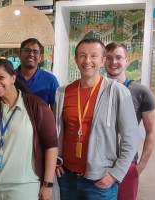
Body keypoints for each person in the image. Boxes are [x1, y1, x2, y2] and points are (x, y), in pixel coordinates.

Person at [53, 38, 140, 199]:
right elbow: (57, 133)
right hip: (67, 177)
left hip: (100, 181)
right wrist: (55, 161)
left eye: (94, 56)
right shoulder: (62, 92)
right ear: (75, 60)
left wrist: (115, 174)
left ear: (102, 60)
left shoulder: (117, 92)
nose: (87, 61)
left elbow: (131, 138)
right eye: (82, 55)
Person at [0, 59, 58, 200]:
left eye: (1, 78)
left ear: (13, 78)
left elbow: (51, 145)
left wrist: (47, 185)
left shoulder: (36, 106)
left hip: (22, 189)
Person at [104, 42, 155, 200]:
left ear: (126, 61)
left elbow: (152, 132)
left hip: (127, 162)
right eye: (109, 58)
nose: (114, 62)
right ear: (103, 61)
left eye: (118, 57)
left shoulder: (141, 92)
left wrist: (140, 166)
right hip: (100, 163)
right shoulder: (98, 89)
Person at [16, 38, 59, 106]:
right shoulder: (10, 77)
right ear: (19, 54)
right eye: (27, 50)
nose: (31, 54)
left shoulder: (50, 80)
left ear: (40, 57)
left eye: (35, 52)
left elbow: (56, 111)